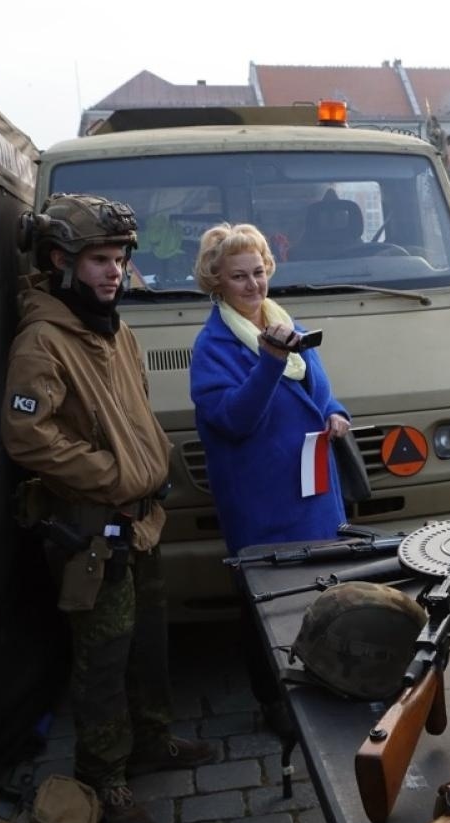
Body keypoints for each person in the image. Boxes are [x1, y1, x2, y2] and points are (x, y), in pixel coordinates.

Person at [3, 194, 214, 823]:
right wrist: (113, 476)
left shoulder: (113, 327)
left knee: (149, 638)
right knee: (103, 655)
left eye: (119, 258)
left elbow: (134, 411)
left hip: (140, 520)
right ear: (61, 262)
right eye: (99, 259)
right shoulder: (43, 339)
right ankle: (104, 777)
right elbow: (26, 434)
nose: (113, 270)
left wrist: (145, 472)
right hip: (92, 527)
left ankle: (152, 740)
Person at [190, 223, 354, 732]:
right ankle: (273, 701)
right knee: (268, 602)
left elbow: (319, 392)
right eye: (238, 276)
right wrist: (269, 361)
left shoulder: (286, 321)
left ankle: (325, 677)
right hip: (261, 499)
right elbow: (235, 421)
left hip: (314, 490)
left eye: (258, 272)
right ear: (216, 281)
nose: (253, 285)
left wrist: (336, 411)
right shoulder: (213, 346)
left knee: (324, 591)